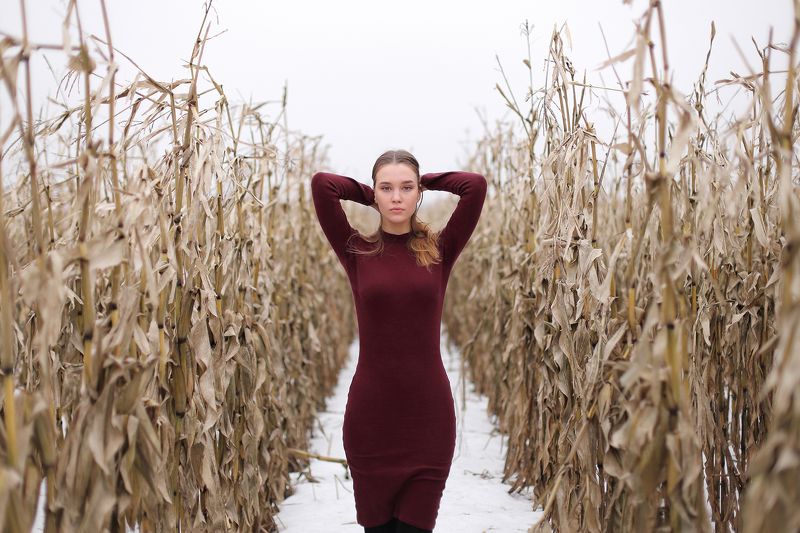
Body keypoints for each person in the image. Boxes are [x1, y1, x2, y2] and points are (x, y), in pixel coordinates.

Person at [310, 149, 487, 533]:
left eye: (406, 188)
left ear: (418, 193)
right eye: (386, 188)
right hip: (371, 421)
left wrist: (426, 181)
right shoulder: (357, 250)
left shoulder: (439, 250)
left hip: (428, 420)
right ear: (375, 192)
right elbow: (323, 185)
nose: (396, 197)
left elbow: (474, 186)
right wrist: (369, 194)